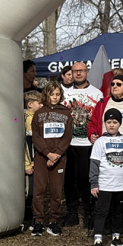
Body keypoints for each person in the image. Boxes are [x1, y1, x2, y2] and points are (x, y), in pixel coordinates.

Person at [89, 109, 123, 246]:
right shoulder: (100, 141)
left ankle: (116, 237)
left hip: (121, 185)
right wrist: (94, 183)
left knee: (118, 211)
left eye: (115, 122)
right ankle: (98, 238)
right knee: (101, 211)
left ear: (119, 124)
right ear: (104, 124)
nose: (111, 125)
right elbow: (94, 164)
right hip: (104, 184)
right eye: (108, 122)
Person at [63, 61, 104, 228]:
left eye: (81, 71)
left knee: (88, 179)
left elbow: (101, 118)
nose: (78, 74)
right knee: (70, 179)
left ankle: (89, 212)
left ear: (87, 73)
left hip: (89, 143)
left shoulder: (97, 93)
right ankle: (72, 212)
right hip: (69, 143)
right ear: (71, 73)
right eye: (75, 71)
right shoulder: (64, 93)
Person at [31, 82, 73, 237]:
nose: (54, 97)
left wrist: (56, 154)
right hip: (42, 157)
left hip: (59, 157)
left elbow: (67, 136)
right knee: (39, 190)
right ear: (46, 95)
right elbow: (36, 136)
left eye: (57, 94)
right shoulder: (39, 113)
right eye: (51, 94)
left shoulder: (66, 113)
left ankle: (53, 221)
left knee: (56, 191)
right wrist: (47, 153)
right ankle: (38, 221)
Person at [87, 75, 123, 152]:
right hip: (105, 149)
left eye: (118, 84)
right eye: (112, 84)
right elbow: (92, 124)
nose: (114, 86)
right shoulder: (102, 104)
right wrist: (92, 135)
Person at [23, 91, 43, 221]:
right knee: (29, 190)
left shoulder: (32, 117)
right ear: (30, 104)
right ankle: (27, 214)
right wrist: (28, 163)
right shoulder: (29, 119)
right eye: (39, 103)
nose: (42, 105)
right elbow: (26, 144)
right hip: (30, 162)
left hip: (33, 161)